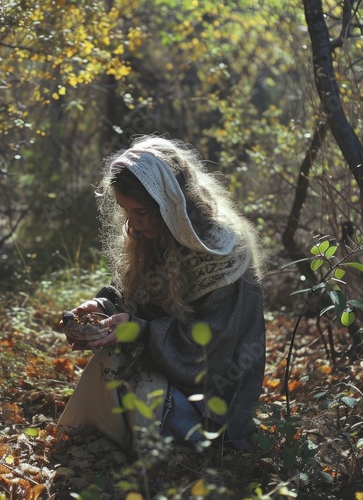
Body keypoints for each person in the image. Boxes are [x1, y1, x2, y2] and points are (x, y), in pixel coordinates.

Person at [57, 135, 267, 451]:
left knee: (143, 385)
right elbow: (137, 299)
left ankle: (183, 450)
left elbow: (205, 355)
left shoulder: (226, 254)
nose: (133, 223)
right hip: (170, 382)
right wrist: (104, 305)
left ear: (170, 204)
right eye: (126, 211)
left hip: (211, 410)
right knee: (112, 360)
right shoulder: (154, 238)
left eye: (141, 211)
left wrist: (136, 330)